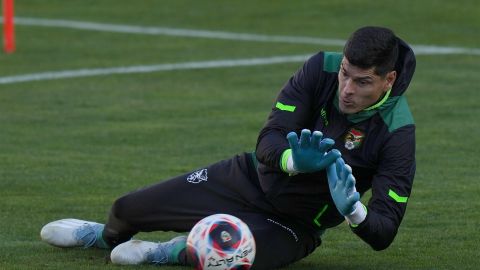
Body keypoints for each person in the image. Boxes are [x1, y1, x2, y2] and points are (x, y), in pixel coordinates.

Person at [40, 26, 416, 269]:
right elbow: (269, 138)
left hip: (293, 224)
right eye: (346, 73)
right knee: (126, 208)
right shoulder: (320, 67)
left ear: (389, 80)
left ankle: (166, 252)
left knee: (228, 252)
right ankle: (101, 236)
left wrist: (353, 211)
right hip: (247, 178)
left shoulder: (397, 131)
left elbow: (383, 233)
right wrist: (291, 160)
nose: (347, 89)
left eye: (363, 82)